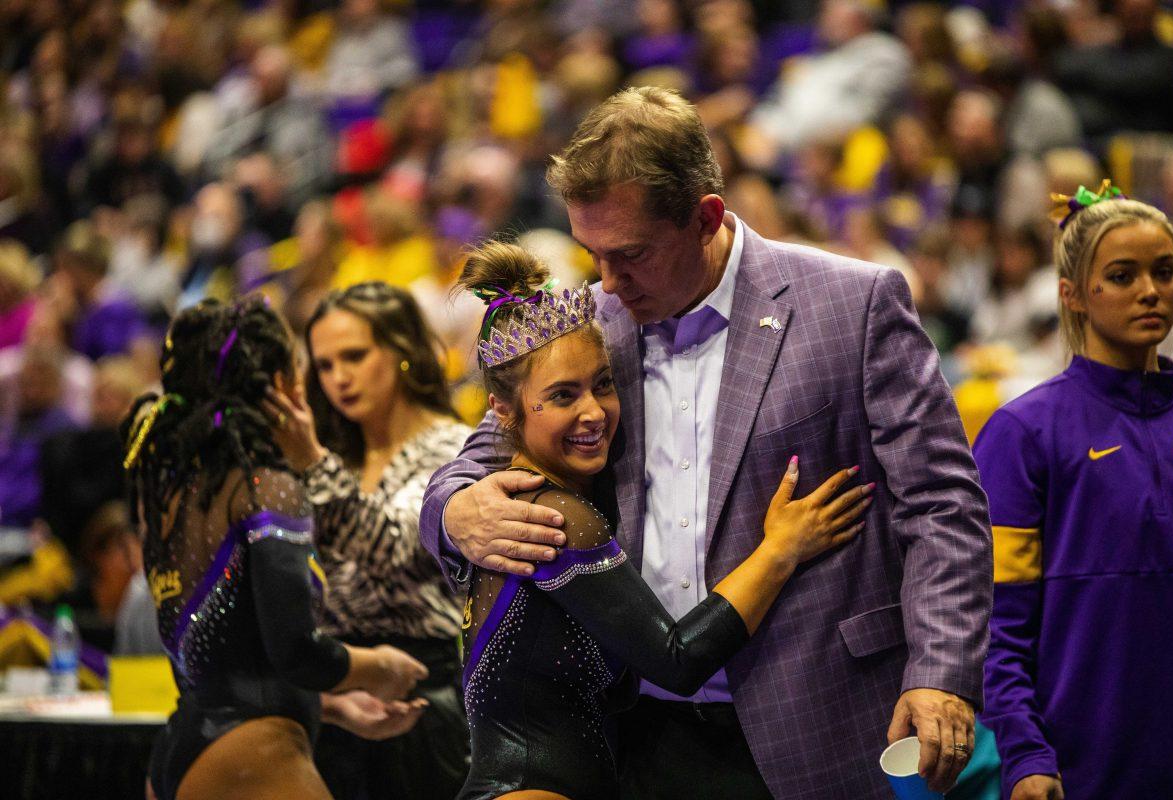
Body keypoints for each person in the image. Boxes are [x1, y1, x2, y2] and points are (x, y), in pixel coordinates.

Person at [421, 87, 993, 800]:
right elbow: (483, 449)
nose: (607, 280)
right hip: (644, 735)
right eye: (592, 254)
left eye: (629, 255)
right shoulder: (597, 319)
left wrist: (941, 673)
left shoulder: (856, 303)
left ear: (706, 217)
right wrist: (455, 510)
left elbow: (941, 504)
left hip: (828, 718)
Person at [453, 241, 870, 800]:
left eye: (603, 384)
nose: (593, 413)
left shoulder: (527, 501)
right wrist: (780, 551)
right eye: (562, 396)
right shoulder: (555, 519)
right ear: (502, 410)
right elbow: (675, 660)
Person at [123, 297, 428, 800]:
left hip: (182, 749)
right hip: (251, 755)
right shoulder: (266, 487)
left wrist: (333, 706)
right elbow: (295, 649)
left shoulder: (173, 488)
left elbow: (232, 655)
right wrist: (381, 667)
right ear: (282, 384)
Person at [974, 184, 1173, 800]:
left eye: (1165, 272)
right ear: (1072, 295)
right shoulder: (1022, 433)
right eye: (1123, 276)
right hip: (1075, 771)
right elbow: (997, 624)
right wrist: (1024, 753)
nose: (1151, 291)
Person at [264, 281, 473, 799]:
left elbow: (400, 552)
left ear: (403, 350)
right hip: (329, 693)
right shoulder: (337, 455)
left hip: (419, 697)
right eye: (326, 365)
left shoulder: (456, 448)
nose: (339, 378)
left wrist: (311, 462)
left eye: (354, 356)